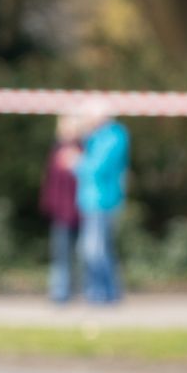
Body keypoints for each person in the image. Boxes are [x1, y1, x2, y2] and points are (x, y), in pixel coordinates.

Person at [73, 101, 131, 305]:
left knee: (94, 250)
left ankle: (103, 292)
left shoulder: (113, 137)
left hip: (103, 201)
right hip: (92, 201)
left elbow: (96, 168)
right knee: (97, 249)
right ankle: (103, 292)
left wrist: (75, 163)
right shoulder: (97, 137)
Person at [40, 115, 84, 304]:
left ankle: (76, 291)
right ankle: (60, 293)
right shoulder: (56, 151)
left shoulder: (83, 150)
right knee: (61, 254)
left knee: (81, 255)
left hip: (81, 212)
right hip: (61, 213)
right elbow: (51, 183)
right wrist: (50, 205)